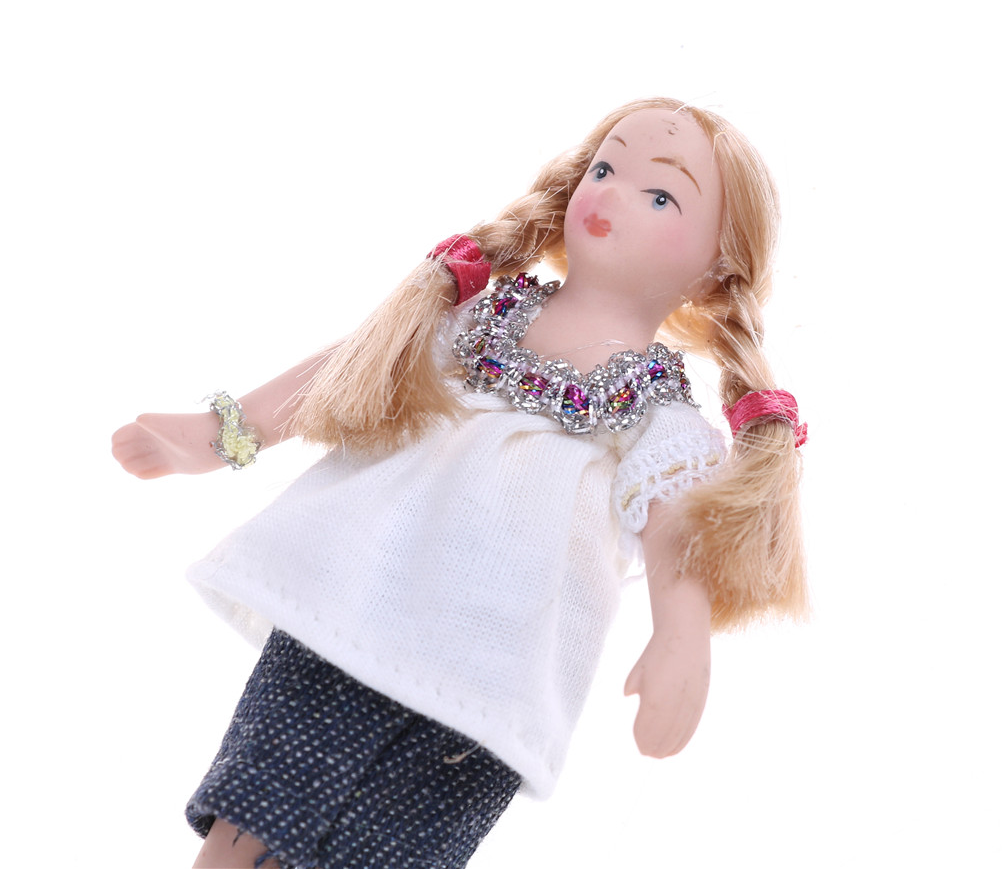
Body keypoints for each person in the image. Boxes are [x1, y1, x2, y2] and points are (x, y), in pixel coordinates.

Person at [113, 98, 808, 869]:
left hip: (484, 684)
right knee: (248, 822)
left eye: (661, 196)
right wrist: (220, 436)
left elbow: (677, 526)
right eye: (605, 168)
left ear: (716, 267)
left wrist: (681, 639)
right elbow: (349, 371)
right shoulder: (476, 317)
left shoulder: (660, 418)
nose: (611, 193)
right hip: (350, 604)